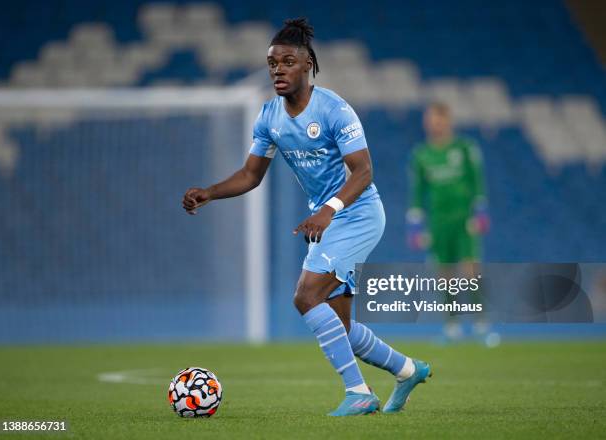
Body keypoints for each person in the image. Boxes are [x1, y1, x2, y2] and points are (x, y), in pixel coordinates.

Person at [183, 18, 431, 416]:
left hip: (358, 213)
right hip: (327, 220)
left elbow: (364, 171)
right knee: (340, 327)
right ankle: (407, 370)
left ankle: (358, 393)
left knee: (305, 296)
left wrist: (328, 211)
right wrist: (209, 192)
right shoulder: (268, 116)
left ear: (308, 64)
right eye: (272, 63)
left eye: (287, 61)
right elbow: (251, 174)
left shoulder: (334, 108)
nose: (278, 70)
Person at [407, 102, 491, 343]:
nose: (433, 124)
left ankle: (481, 324)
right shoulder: (421, 154)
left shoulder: (465, 148)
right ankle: (452, 326)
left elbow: (477, 181)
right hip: (438, 223)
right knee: (444, 275)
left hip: (464, 220)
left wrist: (481, 210)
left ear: (447, 121)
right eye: (429, 120)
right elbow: (417, 192)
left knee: (470, 270)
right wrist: (414, 224)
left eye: (437, 119)